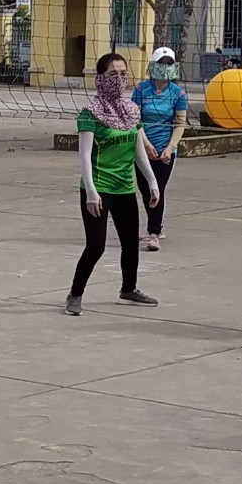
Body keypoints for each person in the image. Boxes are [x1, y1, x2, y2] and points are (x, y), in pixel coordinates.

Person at [68, 50, 160, 315]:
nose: (118, 79)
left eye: (122, 74)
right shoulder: (90, 114)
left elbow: (138, 150)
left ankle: (128, 290)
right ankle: (75, 294)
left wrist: (152, 182)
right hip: (98, 188)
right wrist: (91, 192)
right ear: (100, 78)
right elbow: (84, 156)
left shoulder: (131, 111)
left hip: (124, 188)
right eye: (112, 74)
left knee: (130, 243)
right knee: (95, 246)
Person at [133, 45, 191, 250]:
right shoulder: (141, 90)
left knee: (157, 188)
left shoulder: (178, 94)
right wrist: (146, 145)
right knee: (145, 189)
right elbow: (135, 120)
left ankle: (154, 232)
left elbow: (180, 124)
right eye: (161, 63)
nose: (165, 67)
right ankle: (155, 224)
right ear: (153, 65)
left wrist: (170, 147)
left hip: (166, 149)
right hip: (142, 147)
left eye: (169, 63)